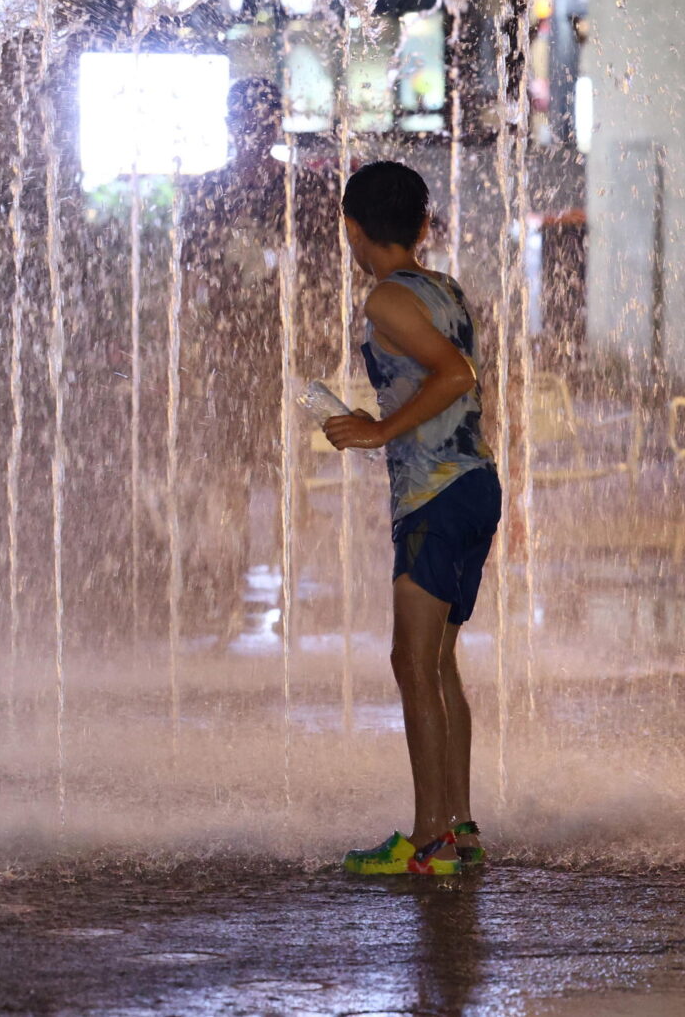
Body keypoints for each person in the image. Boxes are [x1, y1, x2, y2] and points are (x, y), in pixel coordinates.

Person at [321, 162, 499, 876]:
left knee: (411, 662)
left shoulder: (387, 300)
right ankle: (458, 826)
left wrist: (376, 431)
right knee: (437, 661)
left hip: (435, 496)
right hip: (471, 485)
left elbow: (457, 375)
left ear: (353, 230)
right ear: (423, 226)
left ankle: (428, 844)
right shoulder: (443, 288)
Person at [178, 76, 341, 624]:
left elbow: (327, 278)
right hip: (228, 357)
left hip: (286, 358)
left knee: (286, 476)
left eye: (263, 122)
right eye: (245, 122)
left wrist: (321, 343)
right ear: (229, 126)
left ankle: (291, 596)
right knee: (227, 478)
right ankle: (227, 596)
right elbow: (186, 280)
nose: (253, 132)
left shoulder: (307, 191)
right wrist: (187, 353)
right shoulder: (204, 192)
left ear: (276, 125)